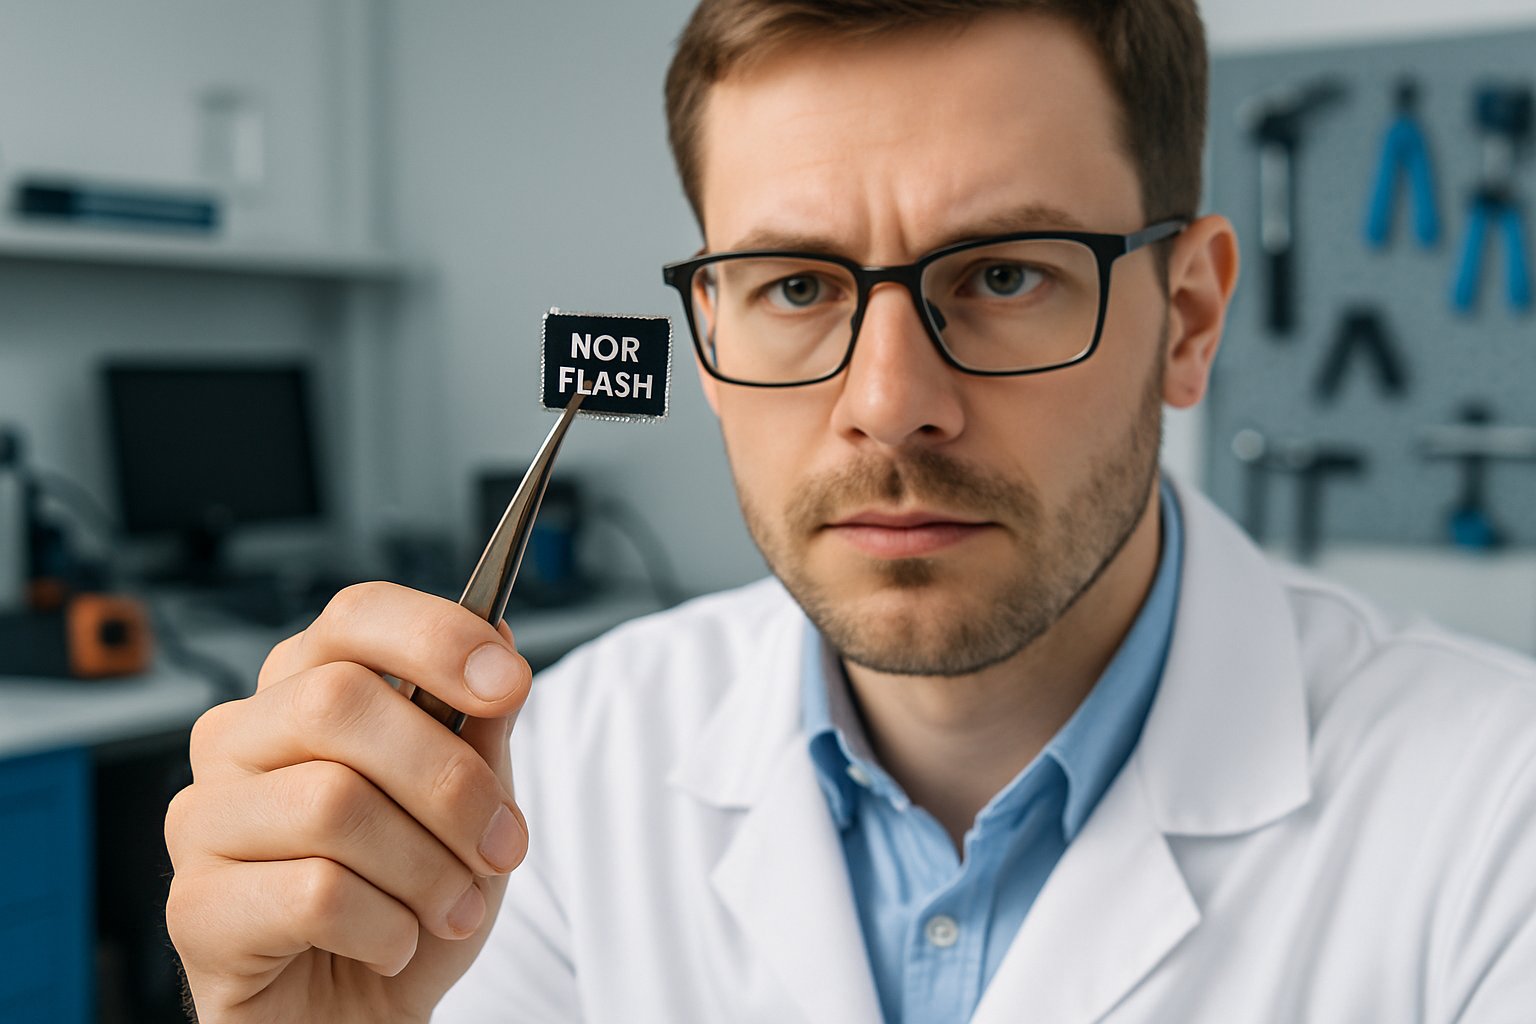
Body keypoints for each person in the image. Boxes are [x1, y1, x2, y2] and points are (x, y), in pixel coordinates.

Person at [165, 1, 1536, 1021]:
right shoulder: (549, 781)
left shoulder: (1497, 822)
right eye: (796, 286)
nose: (890, 403)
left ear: (1187, 317)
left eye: (1003, 274)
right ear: (706, 336)